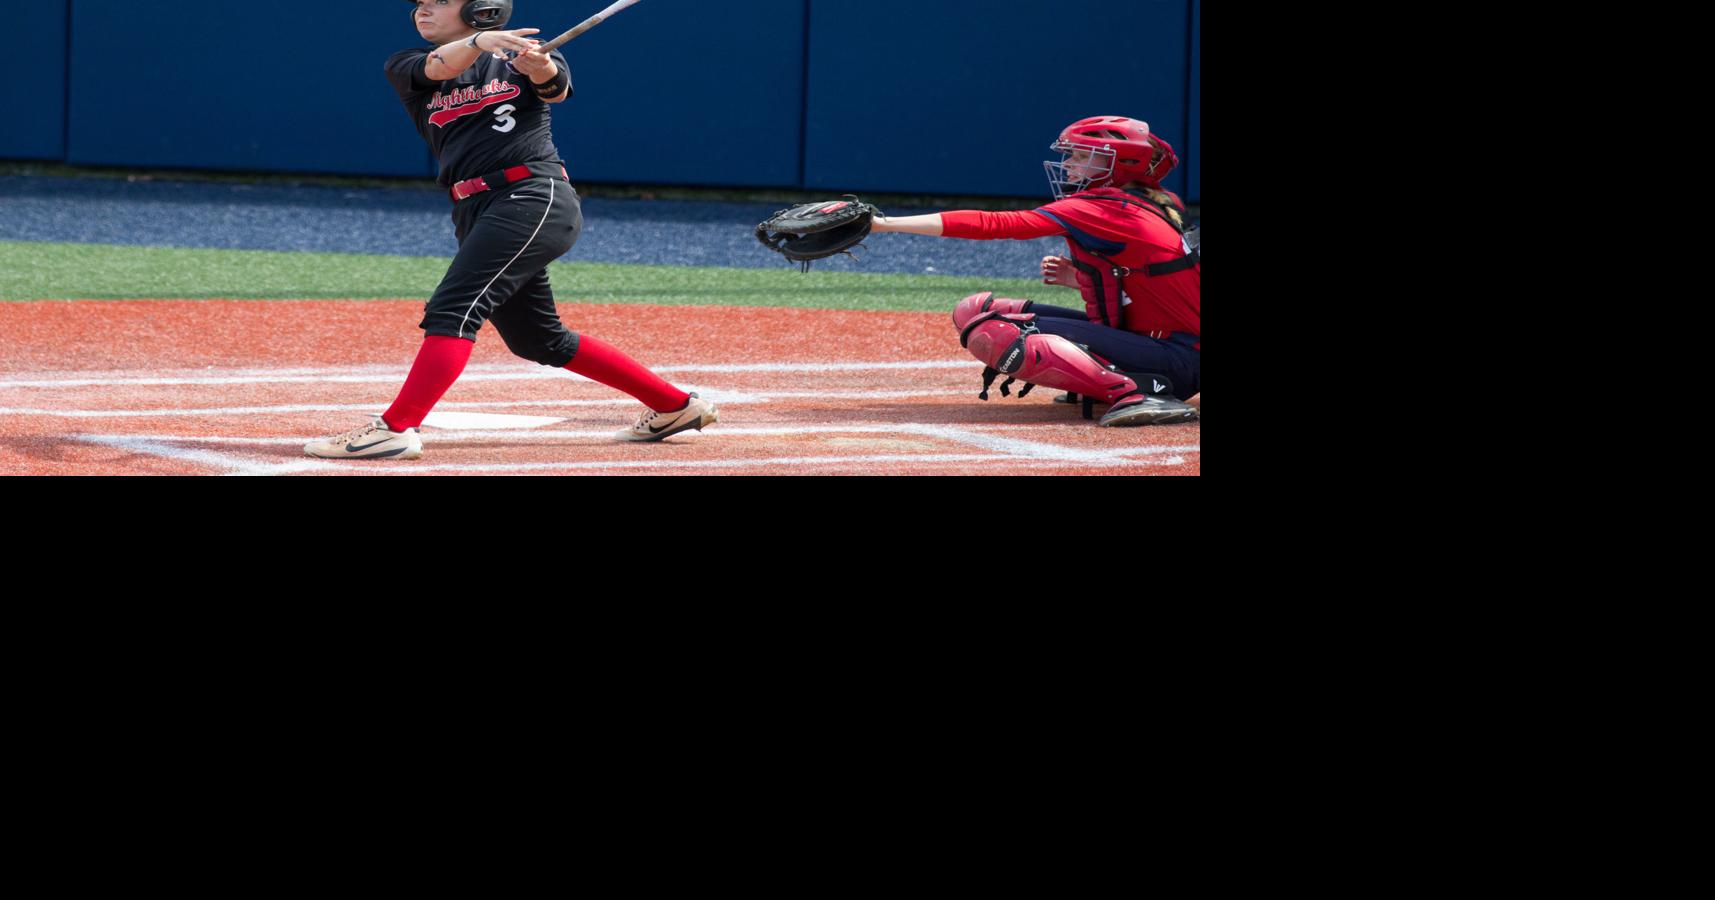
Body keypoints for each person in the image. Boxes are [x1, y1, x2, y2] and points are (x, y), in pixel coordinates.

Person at [305, 0, 717, 460]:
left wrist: (538, 66)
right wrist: (481, 43)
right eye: (419, 2)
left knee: (453, 310)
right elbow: (439, 66)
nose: (423, 9)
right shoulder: (406, 64)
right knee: (537, 339)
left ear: (483, 8)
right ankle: (674, 405)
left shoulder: (527, 54)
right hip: (474, 206)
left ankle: (396, 428)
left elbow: (556, 89)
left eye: (439, 1)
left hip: (532, 195)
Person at [870, 116, 1200, 426]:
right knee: (976, 310)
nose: (1069, 163)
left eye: (1081, 155)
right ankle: (1112, 379)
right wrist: (1078, 280)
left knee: (994, 330)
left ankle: (1134, 393)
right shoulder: (1147, 201)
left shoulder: (1104, 207)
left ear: (1120, 164)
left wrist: (884, 225)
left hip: (1177, 359)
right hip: (1165, 348)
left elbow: (995, 224)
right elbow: (1152, 283)